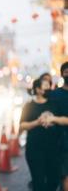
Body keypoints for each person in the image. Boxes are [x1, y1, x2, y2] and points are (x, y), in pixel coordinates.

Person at [19, 78, 60, 191]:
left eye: (49, 85)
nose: (49, 88)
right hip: (34, 150)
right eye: (45, 85)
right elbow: (22, 126)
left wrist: (53, 119)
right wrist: (38, 122)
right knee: (38, 182)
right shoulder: (29, 106)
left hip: (53, 150)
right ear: (38, 89)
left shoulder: (54, 104)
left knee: (54, 180)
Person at [43, 62, 68, 190]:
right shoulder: (54, 94)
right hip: (58, 143)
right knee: (63, 176)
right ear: (62, 74)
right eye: (66, 72)